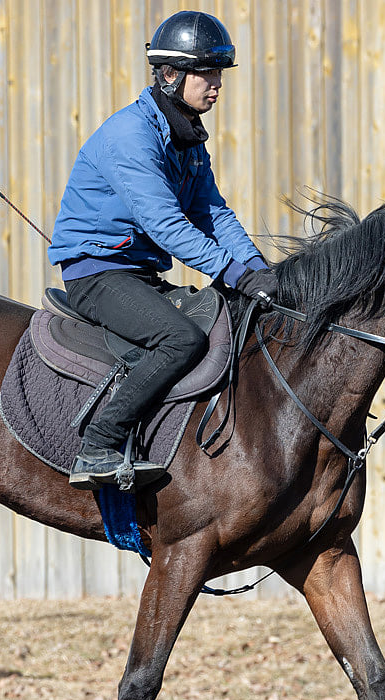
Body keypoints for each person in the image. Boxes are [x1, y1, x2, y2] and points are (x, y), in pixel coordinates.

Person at [49, 10, 279, 491]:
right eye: (206, 72)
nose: (216, 84)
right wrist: (231, 272)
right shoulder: (130, 136)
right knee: (181, 339)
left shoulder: (187, 138)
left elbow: (213, 214)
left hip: (139, 275)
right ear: (171, 75)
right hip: (98, 274)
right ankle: (98, 443)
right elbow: (167, 225)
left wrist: (259, 270)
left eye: (219, 73)